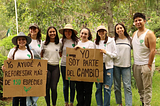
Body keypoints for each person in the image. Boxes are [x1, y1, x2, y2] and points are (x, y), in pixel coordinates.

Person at [2, 32, 33, 106]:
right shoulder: (13, 51)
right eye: (19, 40)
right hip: (15, 78)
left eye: (23, 39)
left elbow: (33, 66)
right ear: (17, 41)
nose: (21, 41)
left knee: (23, 97)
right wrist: (4, 68)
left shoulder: (30, 52)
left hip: (26, 78)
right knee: (15, 97)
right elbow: (8, 63)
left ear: (26, 41)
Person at [132, 12, 156, 106]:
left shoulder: (149, 34)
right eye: (135, 21)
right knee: (140, 88)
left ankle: (147, 104)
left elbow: (153, 50)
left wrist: (149, 64)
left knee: (147, 87)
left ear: (144, 21)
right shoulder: (134, 34)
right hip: (136, 64)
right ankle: (143, 102)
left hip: (146, 64)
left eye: (139, 20)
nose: (138, 22)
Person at [94, 26, 117, 106]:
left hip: (108, 67)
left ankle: (106, 104)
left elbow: (115, 55)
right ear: (97, 33)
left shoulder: (111, 41)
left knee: (107, 87)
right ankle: (99, 104)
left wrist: (106, 52)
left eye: (103, 31)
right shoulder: (96, 42)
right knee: (98, 87)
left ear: (106, 32)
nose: (101, 33)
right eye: (99, 31)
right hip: (98, 67)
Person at [59, 24, 79, 106]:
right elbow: (60, 52)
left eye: (69, 31)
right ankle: (66, 102)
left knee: (72, 84)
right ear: (64, 32)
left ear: (72, 32)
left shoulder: (76, 41)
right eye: (66, 31)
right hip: (64, 64)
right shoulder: (61, 41)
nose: (67, 33)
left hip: (74, 66)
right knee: (65, 84)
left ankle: (71, 102)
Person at [74, 27, 95, 106]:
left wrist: (81, 49)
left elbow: (91, 54)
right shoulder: (78, 43)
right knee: (79, 89)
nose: (83, 35)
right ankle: (80, 103)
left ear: (88, 35)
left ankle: (86, 104)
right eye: (82, 33)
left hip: (88, 71)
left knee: (87, 90)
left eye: (85, 34)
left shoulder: (91, 43)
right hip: (79, 70)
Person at [41, 26, 61, 106]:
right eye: (50, 32)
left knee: (54, 88)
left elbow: (61, 53)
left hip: (55, 67)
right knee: (47, 87)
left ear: (56, 33)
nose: (52, 33)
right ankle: (48, 104)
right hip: (46, 67)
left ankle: (54, 104)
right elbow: (41, 55)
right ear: (48, 33)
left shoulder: (59, 43)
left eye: (53, 31)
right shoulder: (44, 43)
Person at [113, 23, 132, 106]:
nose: (119, 30)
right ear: (115, 31)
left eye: (121, 28)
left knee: (127, 86)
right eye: (117, 28)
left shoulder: (129, 39)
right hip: (116, 65)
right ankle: (119, 103)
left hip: (126, 66)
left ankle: (128, 104)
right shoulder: (113, 40)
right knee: (117, 86)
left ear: (124, 29)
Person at [26, 23, 42, 106]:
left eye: (34, 28)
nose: (33, 30)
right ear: (29, 30)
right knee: (28, 84)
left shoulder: (40, 41)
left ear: (38, 30)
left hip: (37, 66)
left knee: (36, 84)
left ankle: (34, 103)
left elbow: (42, 55)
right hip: (28, 65)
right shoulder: (26, 41)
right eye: (31, 28)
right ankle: (28, 103)